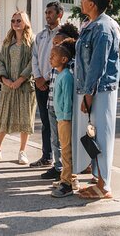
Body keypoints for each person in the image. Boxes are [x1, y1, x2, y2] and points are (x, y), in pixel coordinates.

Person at [72, 0, 120, 200]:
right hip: (93, 88)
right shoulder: (92, 25)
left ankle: (104, 186)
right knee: (94, 134)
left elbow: (97, 64)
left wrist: (89, 94)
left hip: (101, 89)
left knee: (102, 135)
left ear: (92, 4)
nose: (81, 1)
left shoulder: (103, 27)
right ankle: (99, 180)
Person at [0, 11, 35, 164]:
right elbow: (1, 61)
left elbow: (32, 63)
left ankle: (22, 152)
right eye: (13, 20)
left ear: (25, 22)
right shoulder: (7, 41)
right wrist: (5, 79)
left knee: (26, 119)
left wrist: (21, 79)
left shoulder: (31, 41)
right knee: (4, 117)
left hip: (25, 87)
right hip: (8, 86)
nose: (15, 23)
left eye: (19, 20)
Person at [41, 23, 79, 182]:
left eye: (58, 44)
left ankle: (67, 176)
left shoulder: (68, 70)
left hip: (63, 114)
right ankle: (59, 168)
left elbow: (67, 97)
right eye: (53, 44)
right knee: (55, 140)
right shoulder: (56, 69)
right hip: (53, 107)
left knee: (65, 146)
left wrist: (64, 114)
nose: (54, 47)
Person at [29, 1, 63, 168]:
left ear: (59, 15)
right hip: (40, 83)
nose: (48, 15)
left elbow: (63, 60)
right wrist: (37, 77)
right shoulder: (40, 36)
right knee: (45, 122)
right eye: (46, 12)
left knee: (59, 122)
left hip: (55, 83)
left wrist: (47, 78)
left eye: (50, 12)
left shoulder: (63, 35)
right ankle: (46, 156)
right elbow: (34, 57)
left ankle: (62, 162)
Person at [50, 38, 78, 198]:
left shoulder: (66, 76)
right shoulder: (59, 74)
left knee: (66, 151)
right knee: (64, 149)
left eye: (53, 55)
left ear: (64, 59)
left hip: (64, 119)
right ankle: (69, 178)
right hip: (60, 117)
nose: (50, 58)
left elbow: (67, 99)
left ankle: (67, 184)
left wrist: (65, 118)